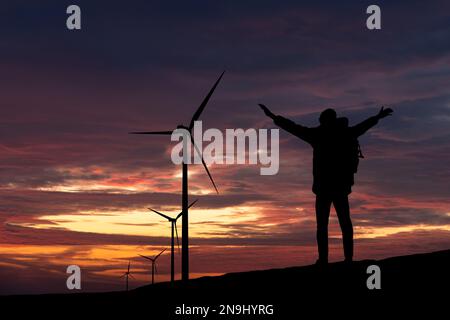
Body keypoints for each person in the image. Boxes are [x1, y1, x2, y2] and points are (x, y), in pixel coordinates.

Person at [259, 104, 393, 264]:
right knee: (345, 222)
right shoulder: (346, 133)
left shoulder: (318, 135)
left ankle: (324, 259)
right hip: (341, 186)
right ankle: (348, 258)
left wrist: (274, 117)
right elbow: (363, 126)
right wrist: (377, 117)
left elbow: (294, 128)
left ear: (324, 121)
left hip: (324, 188)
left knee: (323, 225)